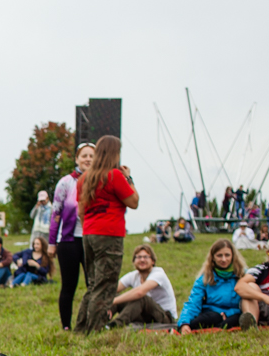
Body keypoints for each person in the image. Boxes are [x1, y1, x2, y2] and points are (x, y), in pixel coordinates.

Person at [74, 135, 138, 334]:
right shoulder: (114, 176)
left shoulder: (84, 178)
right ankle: (95, 331)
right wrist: (129, 178)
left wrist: (89, 229)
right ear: (113, 153)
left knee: (93, 284)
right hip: (110, 234)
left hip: (89, 234)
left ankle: (81, 329)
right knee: (106, 286)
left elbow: (80, 211)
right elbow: (134, 202)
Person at [49, 143, 95, 330]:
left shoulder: (101, 181)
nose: (88, 159)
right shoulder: (66, 182)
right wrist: (52, 243)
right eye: (84, 155)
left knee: (93, 283)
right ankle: (66, 325)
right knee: (69, 285)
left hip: (92, 238)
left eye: (92, 156)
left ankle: (92, 323)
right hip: (68, 240)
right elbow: (56, 213)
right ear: (77, 159)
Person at [176, 239, 246, 333]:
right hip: (212, 315)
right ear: (213, 257)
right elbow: (193, 303)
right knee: (206, 320)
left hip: (235, 314)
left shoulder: (244, 275)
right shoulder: (204, 278)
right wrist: (184, 323)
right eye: (219, 255)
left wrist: (226, 314)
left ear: (233, 256)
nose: (224, 259)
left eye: (227, 255)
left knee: (233, 321)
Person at [109, 244, 177, 328]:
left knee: (141, 298)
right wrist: (108, 304)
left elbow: (139, 292)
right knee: (114, 296)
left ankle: (114, 325)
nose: (142, 260)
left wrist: (112, 301)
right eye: (138, 257)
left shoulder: (159, 274)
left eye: (145, 257)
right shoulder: (134, 276)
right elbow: (112, 290)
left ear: (153, 261)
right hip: (144, 316)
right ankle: (99, 322)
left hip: (164, 318)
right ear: (134, 261)